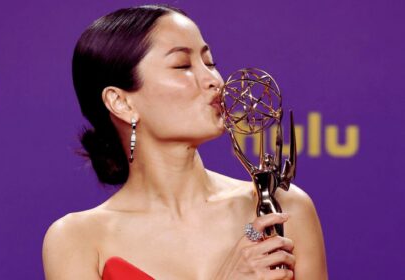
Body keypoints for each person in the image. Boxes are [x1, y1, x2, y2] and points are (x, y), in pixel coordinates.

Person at [42, 4, 327, 280]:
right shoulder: (77, 239)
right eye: (182, 65)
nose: (214, 80)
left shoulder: (283, 208)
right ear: (121, 102)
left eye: (209, 62)